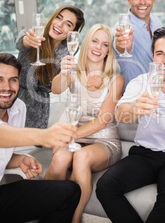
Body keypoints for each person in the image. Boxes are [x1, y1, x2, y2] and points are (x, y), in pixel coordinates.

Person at [96, 27, 165, 223]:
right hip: (145, 154)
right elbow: (121, 113)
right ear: (152, 56)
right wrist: (136, 109)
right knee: (105, 186)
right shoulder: (141, 83)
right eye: (160, 54)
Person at [0, 53, 81, 222]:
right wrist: (42, 136)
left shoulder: (18, 107)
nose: (7, 87)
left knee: (69, 191)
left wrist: (18, 160)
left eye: (13, 79)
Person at [44, 24, 124, 223]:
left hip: (104, 141)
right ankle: (45, 212)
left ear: (108, 50)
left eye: (105, 44)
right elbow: (55, 89)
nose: (98, 47)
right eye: (95, 41)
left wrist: (67, 137)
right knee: (61, 159)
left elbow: (101, 121)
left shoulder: (117, 79)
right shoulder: (74, 72)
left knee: (80, 157)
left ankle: (74, 219)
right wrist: (63, 73)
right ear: (86, 43)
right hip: (76, 138)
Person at [15, 5, 85, 129]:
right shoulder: (33, 35)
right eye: (59, 18)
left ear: (72, 32)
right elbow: (21, 41)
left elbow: (58, 86)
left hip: (39, 108)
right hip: (15, 99)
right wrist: (26, 40)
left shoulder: (68, 50)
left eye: (68, 24)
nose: (59, 24)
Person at [113, 0, 163, 88]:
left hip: (157, 91)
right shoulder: (122, 27)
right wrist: (123, 45)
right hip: (133, 98)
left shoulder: (156, 21)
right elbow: (122, 46)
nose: (143, 2)